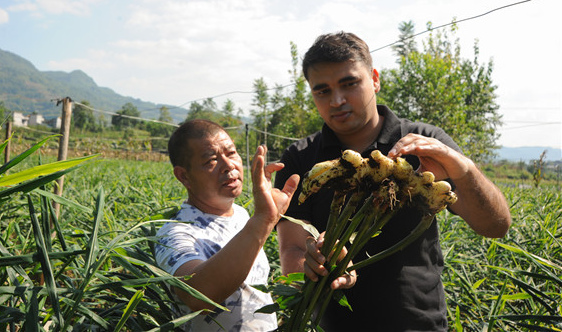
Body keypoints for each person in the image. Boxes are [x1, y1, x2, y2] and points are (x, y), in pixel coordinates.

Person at [274, 32, 511, 331]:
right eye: (322, 91)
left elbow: (495, 226)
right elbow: (292, 250)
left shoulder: (425, 144)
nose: (337, 100)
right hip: (331, 325)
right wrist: (316, 263)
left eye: (349, 83)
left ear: (374, 79)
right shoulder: (301, 160)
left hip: (417, 323)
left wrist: (464, 168)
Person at [154, 119, 300, 332]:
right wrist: (262, 221)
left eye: (231, 153)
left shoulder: (241, 216)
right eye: (211, 160)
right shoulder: (174, 233)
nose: (229, 165)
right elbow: (198, 295)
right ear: (184, 176)